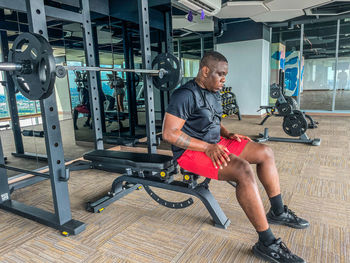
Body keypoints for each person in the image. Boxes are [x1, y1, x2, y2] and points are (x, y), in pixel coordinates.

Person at [162, 51, 309, 263]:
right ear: (205, 71)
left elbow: (209, 118)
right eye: (220, 74)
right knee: (242, 170)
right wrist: (207, 147)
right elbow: (169, 134)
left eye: (225, 75)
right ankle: (266, 243)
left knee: (264, 152)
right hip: (191, 152)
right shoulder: (184, 95)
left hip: (214, 143)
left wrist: (227, 134)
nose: (224, 79)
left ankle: (277, 211)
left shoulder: (213, 90)